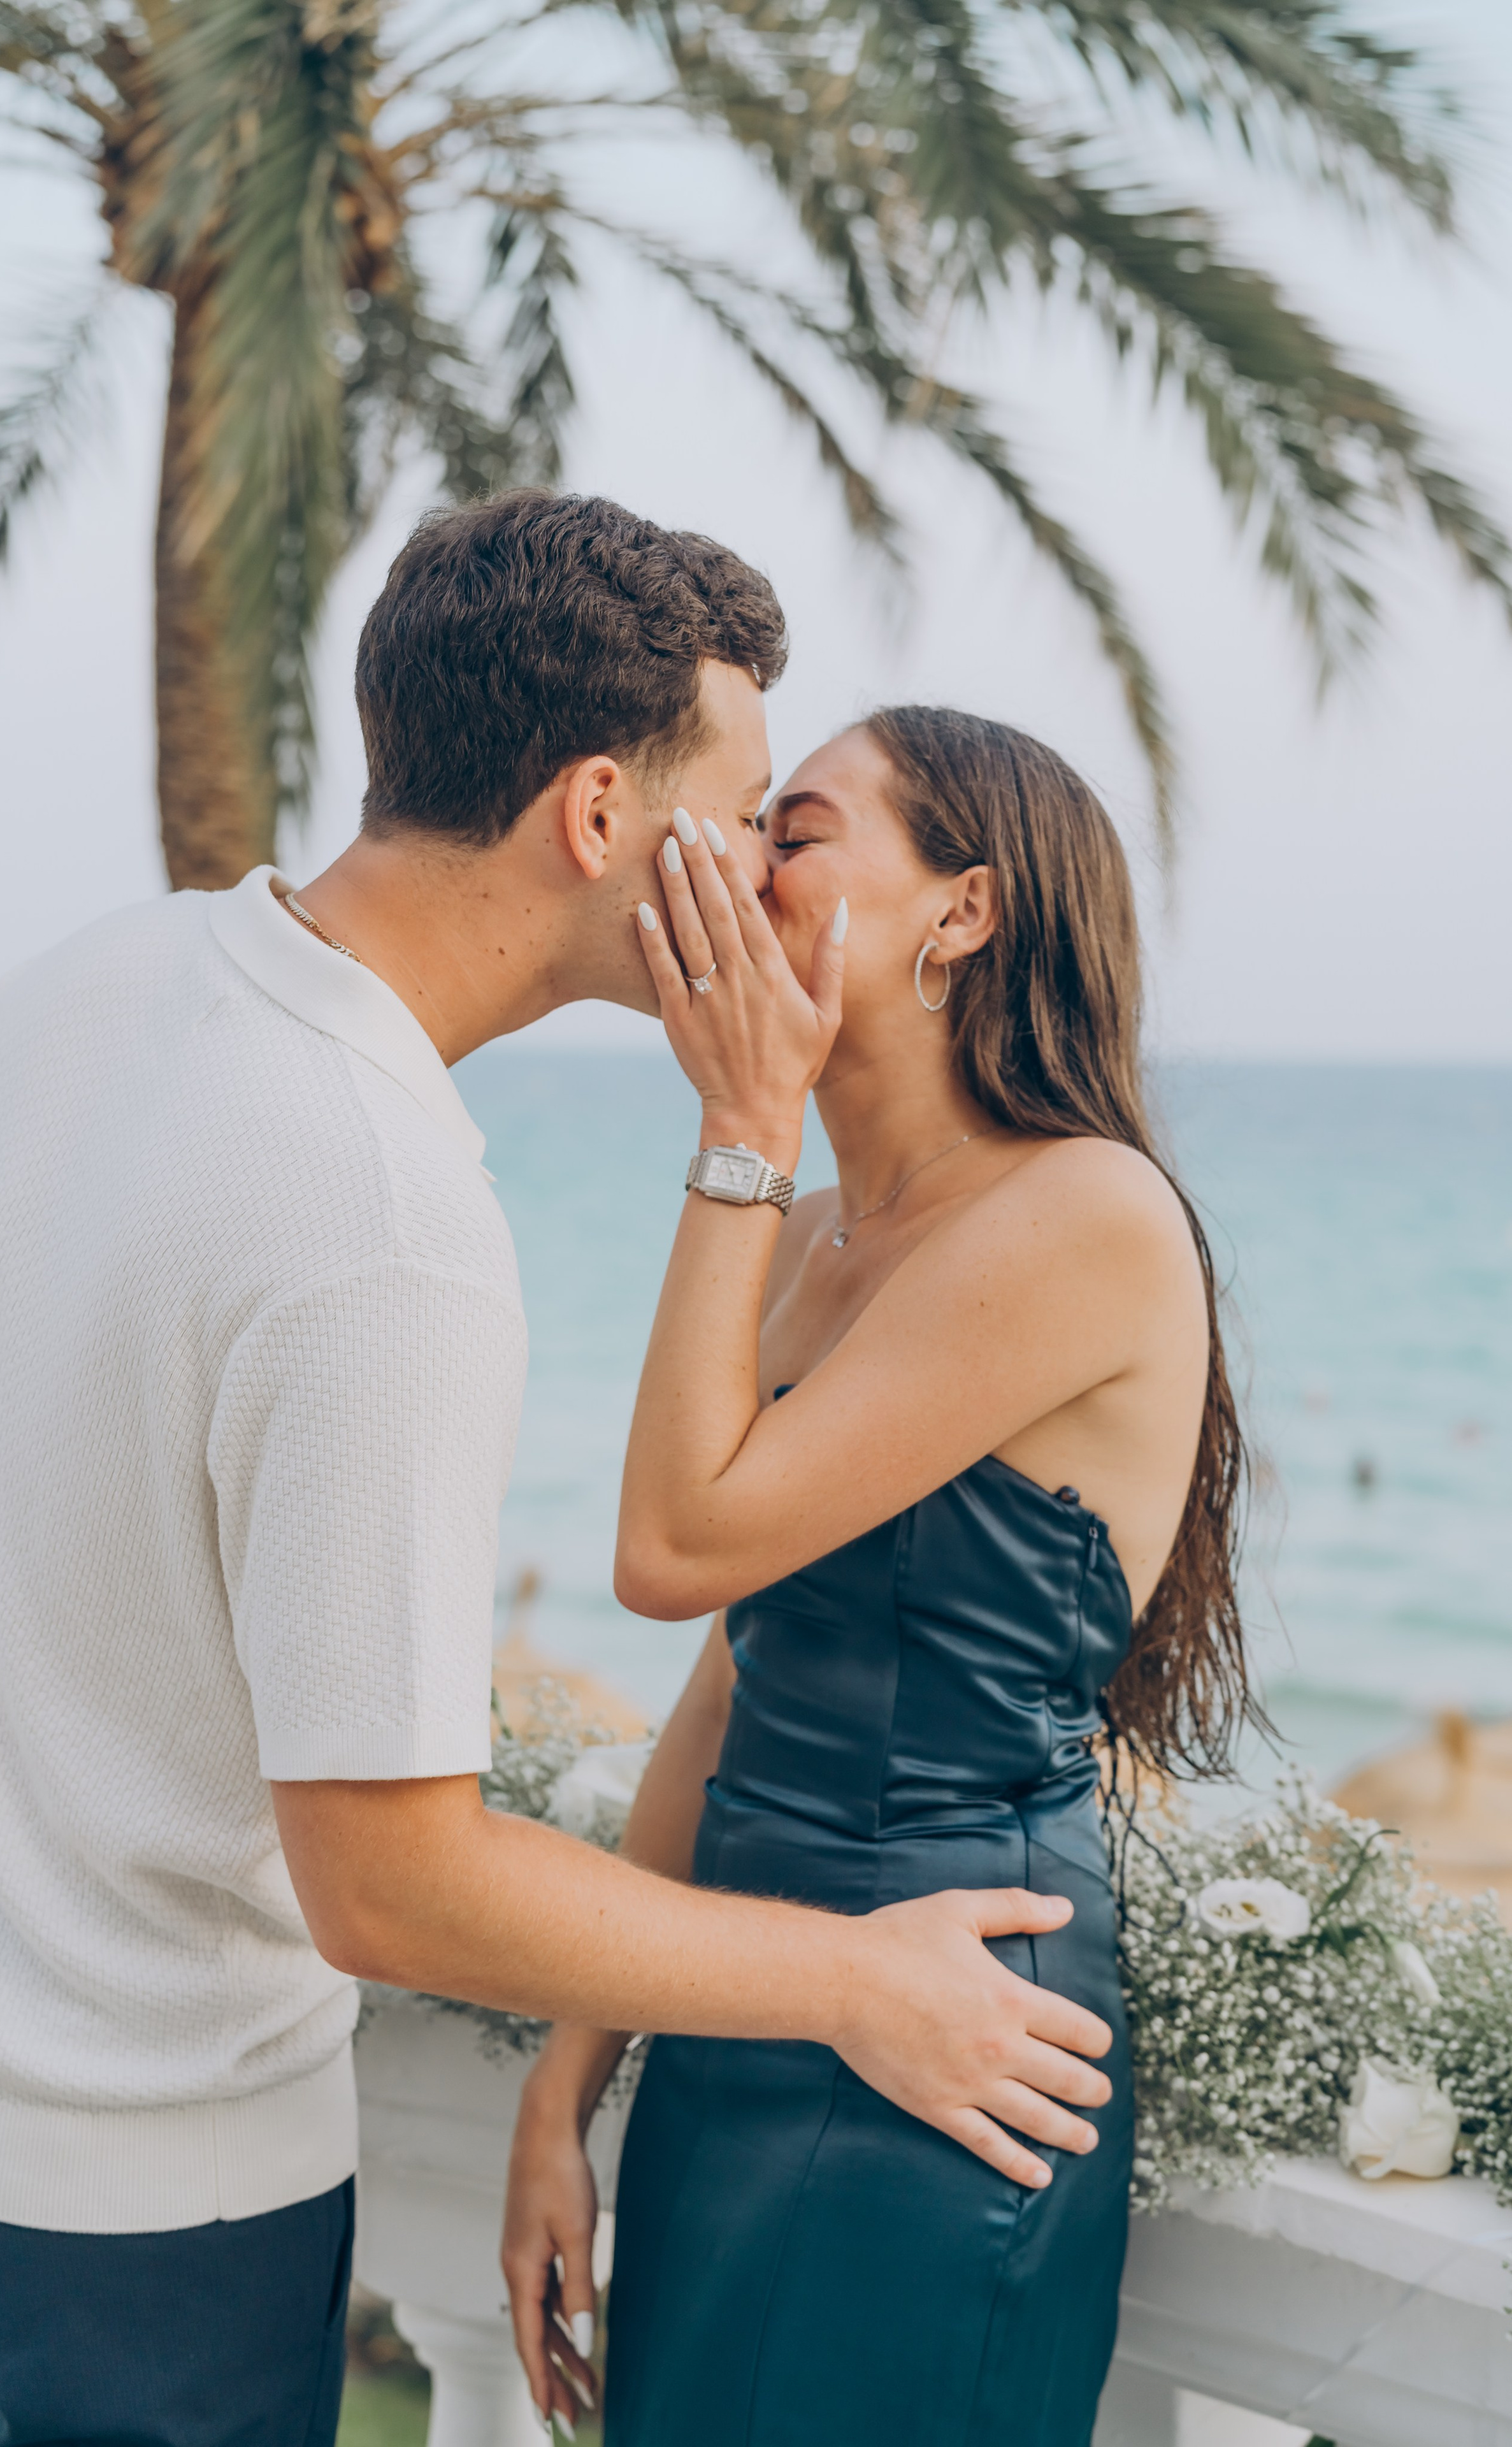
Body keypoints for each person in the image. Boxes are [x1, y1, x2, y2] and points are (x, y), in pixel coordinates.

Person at [0, 496, 1115, 2447]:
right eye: (747, 809)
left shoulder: (70, 992)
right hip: (146, 2222)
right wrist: (857, 1987)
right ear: (601, 816)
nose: (763, 872)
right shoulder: (381, 1217)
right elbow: (391, 1886)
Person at [501, 708, 1253, 2444]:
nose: (748, 864)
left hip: (953, 2040)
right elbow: (727, 1677)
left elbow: (666, 1550)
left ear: (964, 914)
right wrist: (568, 2083)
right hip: (738, 2026)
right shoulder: (822, 1235)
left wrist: (744, 1119)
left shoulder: (1088, 1214)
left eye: (804, 829)